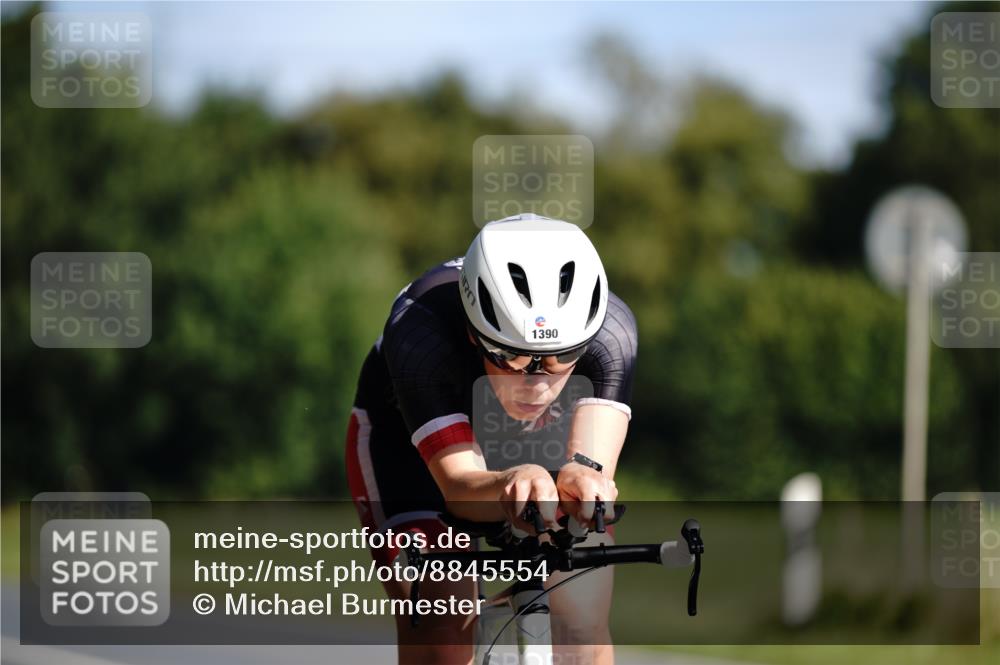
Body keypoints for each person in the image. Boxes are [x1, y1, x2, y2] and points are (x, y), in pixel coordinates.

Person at [345, 213, 637, 665]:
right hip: (410, 446)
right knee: (442, 631)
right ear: (472, 334)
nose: (537, 384)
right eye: (512, 357)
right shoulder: (421, 330)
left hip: (542, 443)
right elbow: (459, 488)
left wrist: (582, 479)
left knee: (580, 622)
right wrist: (508, 482)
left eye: (562, 359)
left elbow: (588, 471)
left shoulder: (611, 333)